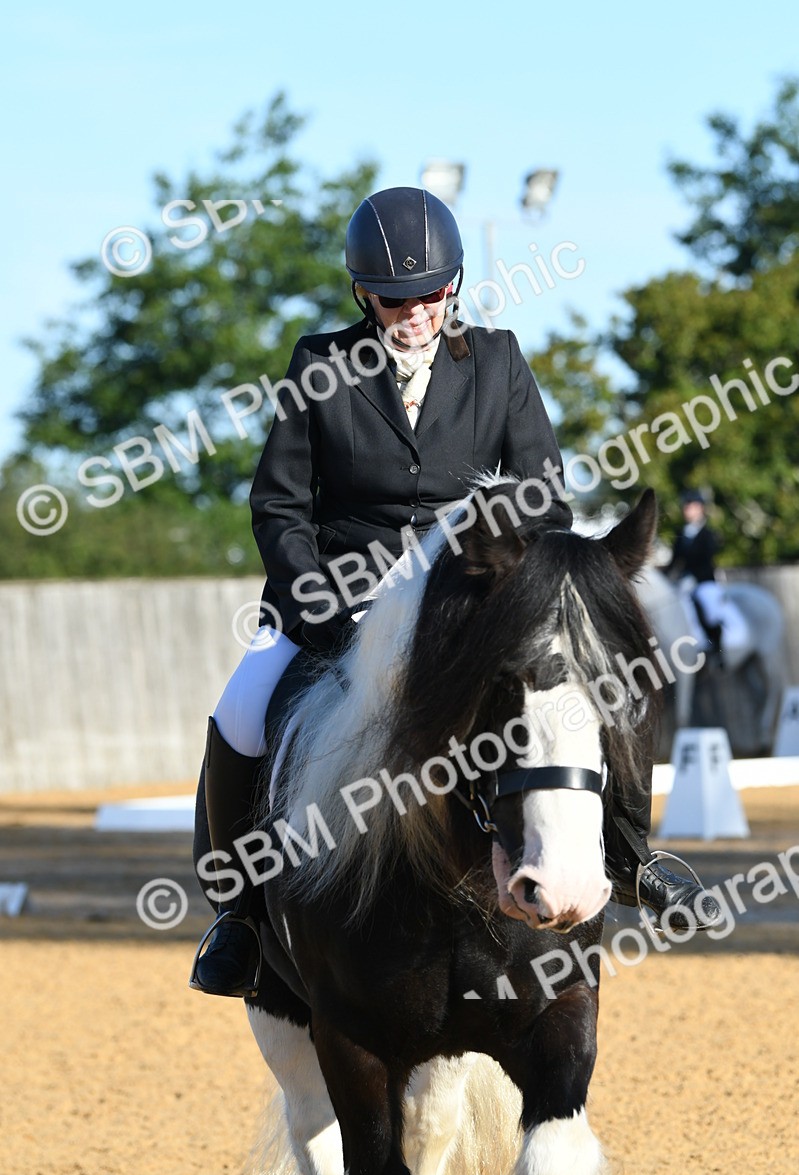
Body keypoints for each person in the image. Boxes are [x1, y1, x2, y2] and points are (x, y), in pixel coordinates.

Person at [190, 186, 720, 998]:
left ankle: (634, 858)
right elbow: (279, 507)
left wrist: (491, 573)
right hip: (340, 600)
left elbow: (544, 496)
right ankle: (238, 914)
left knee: (598, 694)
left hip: (466, 601)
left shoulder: (498, 360)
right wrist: (324, 602)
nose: (415, 313)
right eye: (396, 298)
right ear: (362, 293)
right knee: (240, 712)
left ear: (455, 286)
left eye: (432, 295)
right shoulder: (319, 366)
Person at [668, 489, 724, 657]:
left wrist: (693, 577)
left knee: (707, 607)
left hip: (704, 581)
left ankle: (717, 648)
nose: (686, 509)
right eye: (685, 506)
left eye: (690, 506)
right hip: (685, 581)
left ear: (700, 508)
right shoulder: (680, 533)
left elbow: (707, 559)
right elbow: (674, 561)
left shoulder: (709, 534)